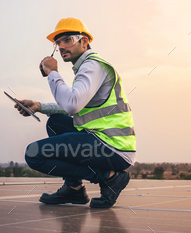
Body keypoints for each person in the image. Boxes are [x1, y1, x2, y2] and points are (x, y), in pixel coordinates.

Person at [15, 17, 136, 208]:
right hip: (101, 140)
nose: (61, 46)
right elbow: (75, 106)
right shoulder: (86, 67)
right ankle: (74, 189)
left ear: (84, 41)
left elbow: (72, 105)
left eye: (67, 39)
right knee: (55, 123)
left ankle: (109, 177)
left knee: (33, 154)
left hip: (111, 147)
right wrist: (39, 106)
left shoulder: (92, 65)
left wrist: (53, 73)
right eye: (58, 42)